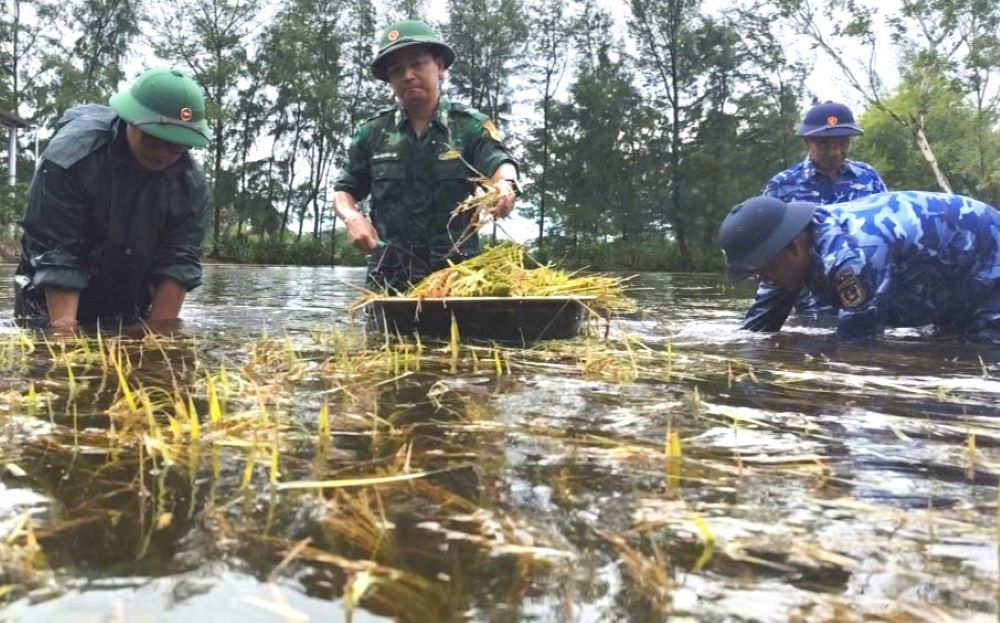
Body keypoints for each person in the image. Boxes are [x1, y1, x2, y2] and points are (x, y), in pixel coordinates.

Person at [332, 19, 520, 292]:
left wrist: (505, 186)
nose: (408, 75)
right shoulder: (371, 134)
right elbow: (344, 190)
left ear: (439, 66)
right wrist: (351, 216)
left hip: (457, 279)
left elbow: (500, 164)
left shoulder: (469, 126)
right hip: (389, 278)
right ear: (390, 80)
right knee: (381, 337)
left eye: (417, 64)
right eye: (396, 70)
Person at [14, 68, 209, 331]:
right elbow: (58, 253)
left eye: (178, 145)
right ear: (131, 121)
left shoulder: (189, 184)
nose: (165, 153)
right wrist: (64, 342)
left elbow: (178, 264)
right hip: (47, 294)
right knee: (53, 355)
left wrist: (159, 344)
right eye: (154, 140)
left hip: (129, 295)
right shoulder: (71, 159)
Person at [717, 192, 1000, 342]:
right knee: (943, 344)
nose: (764, 279)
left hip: (989, 259)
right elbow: (758, 331)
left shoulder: (852, 256)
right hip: (948, 271)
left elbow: (860, 348)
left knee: (978, 352)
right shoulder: (786, 258)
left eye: (764, 270)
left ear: (792, 246)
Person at [764, 100, 887, 204]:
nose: (835, 152)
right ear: (807, 143)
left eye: (843, 143)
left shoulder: (868, 176)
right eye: (824, 143)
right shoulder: (782, 185)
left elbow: (890, 218)